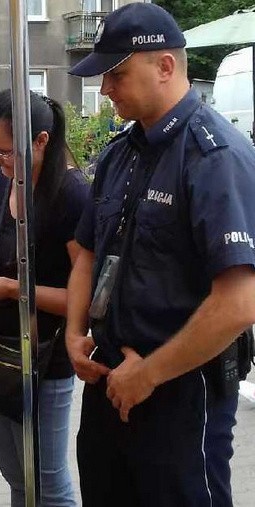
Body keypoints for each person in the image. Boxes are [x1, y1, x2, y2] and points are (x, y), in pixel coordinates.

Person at [65, 3, 255, 506]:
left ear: (165, 66)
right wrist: (73, 333)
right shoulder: (120, 153)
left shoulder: (215, 158)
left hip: (180, 393)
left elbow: (240, 303)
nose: (105, 90)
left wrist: (147, 374)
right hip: (109, 380)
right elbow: (87, 253)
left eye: (117, 75)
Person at [0, 90, 88, 506]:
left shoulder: (71, 196)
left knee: (47, 479)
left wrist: (12, 290)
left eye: (5, 152)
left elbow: (85, 299)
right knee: (16, 475)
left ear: (40, 141)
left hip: (46, 357)